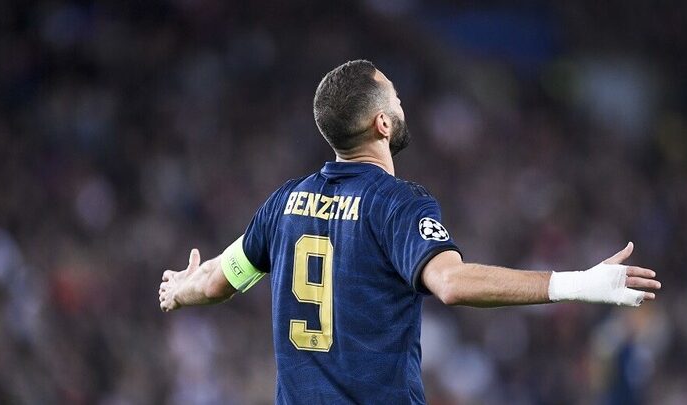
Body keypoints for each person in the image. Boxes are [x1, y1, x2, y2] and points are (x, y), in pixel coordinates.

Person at [158, 59, 661, 404]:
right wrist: (578, 283)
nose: (402, 105)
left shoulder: (283, 204)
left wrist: (180, 290)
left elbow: (219, 280)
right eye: (396, 98)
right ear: (382, 123)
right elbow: (451, 283)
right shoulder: (396, 203)